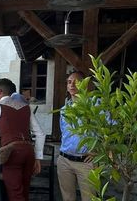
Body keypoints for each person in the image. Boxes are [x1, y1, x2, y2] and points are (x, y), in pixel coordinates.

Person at [57, 71, 93, 201]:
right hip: (64, 161)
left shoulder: (95, 105)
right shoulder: (64, 109)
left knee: (89, 199)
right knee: (67, 198)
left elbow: (110, 128)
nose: (72, 85)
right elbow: (64, 133)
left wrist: (100, 150)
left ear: (85, 84)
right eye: (69, 82)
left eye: (76, 82)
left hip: (86, 163)